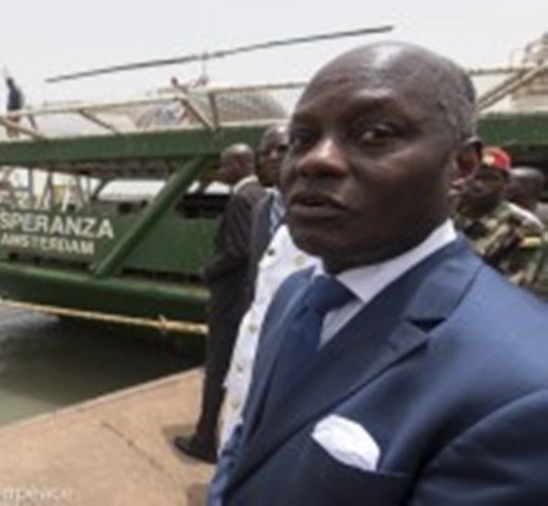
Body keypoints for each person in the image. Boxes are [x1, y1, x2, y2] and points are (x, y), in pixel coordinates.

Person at [209, 41, 548, 504]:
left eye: (375, 134)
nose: (315, 159)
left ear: (461, 167)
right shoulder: (293, 297)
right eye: (302, 139)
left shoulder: (524, 387)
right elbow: (246, 447)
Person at [219, 124, 318, 449]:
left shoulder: (325, 211)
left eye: (283, 148)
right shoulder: (262, 208)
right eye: (266, 152)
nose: (273, 157)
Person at [174, 144, 265, 464]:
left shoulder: (241, 198)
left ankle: (204, 440)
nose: (221, 172)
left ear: (241, 164)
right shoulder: (261, 195)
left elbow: (237, 251)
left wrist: (208, 272)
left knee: (217, 368)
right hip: (248, 296)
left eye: (225, 166)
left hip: (230, 299)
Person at [455, 146, 546, 288]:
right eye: (474, 177)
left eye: (490, 179)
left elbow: (518, 283)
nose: (479, 185)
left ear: (507, 183)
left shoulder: (524, 227)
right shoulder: (448, 217)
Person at [509, 165, 548, 298]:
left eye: (511, 181)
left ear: (529, 186)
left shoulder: (544, 214)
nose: (506, 185)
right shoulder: (502, 215)